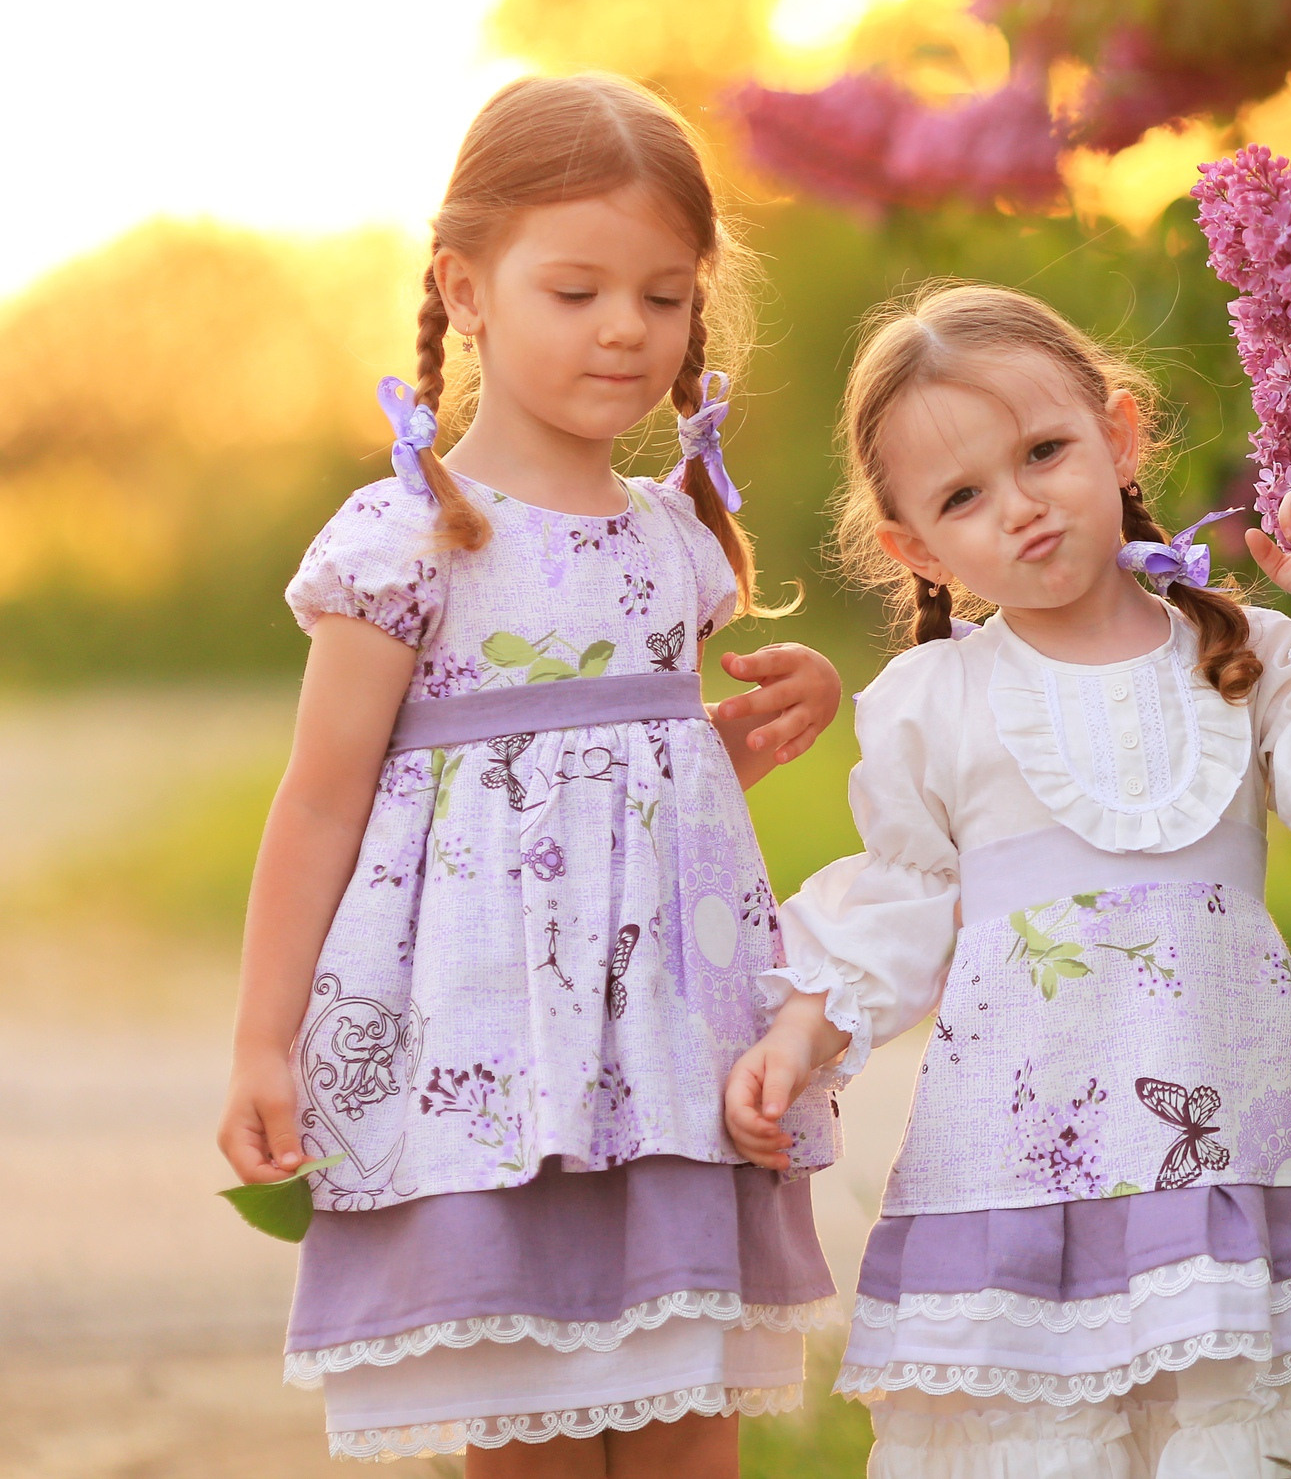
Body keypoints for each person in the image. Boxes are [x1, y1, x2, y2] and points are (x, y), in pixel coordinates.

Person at [216, 73, 847, 1471]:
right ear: (469, 284)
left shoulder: (678, 543)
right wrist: (265, 1039)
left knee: (693, 1428)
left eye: (664, 295)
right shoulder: (411, 539)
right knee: (536, 1435)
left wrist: (737, 742)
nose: (628, 327)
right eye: (578, 290)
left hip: (670, 1070)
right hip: (490, 1078)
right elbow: (324, 798)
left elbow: (640, 802)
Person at [725, 282, 1291, 1478]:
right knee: (1039, 1443)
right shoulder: (936, 701)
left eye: (1045, 453)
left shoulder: (1242, 652)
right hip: (1018, 1176)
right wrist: (802, 1033)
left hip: (1219, 1160)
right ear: (913, 544)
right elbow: (905, 899)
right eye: (963, 497)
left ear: (1118, 437)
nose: (1019, 508)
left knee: (1230, 1434)